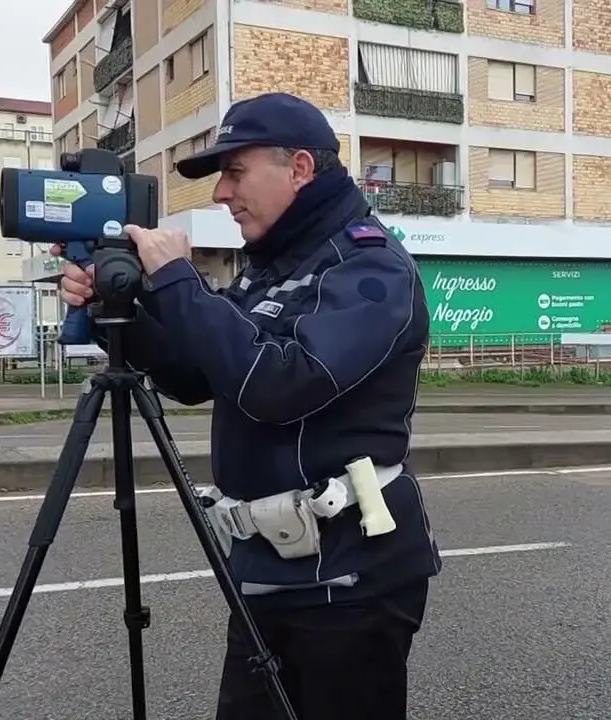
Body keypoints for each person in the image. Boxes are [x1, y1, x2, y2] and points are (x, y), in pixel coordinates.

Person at [52, 92, 442, 720]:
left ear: (300, 169)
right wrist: (114, 311)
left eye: (235, 172)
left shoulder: (371, 268)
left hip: (350, 578)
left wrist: (179, 281)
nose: (220, 194)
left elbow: (280, 385)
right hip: (264, 570)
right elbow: (197, 375)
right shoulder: (269, 268)